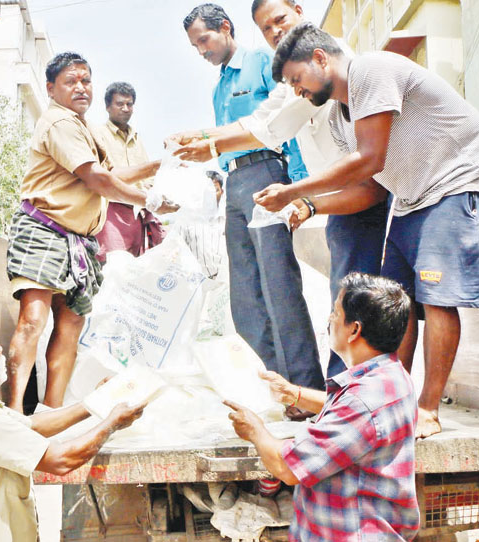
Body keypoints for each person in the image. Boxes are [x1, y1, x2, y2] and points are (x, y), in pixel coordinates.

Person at [255, 22, 479, 438]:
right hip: (410, 198)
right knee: (396, 304)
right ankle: (392, 402)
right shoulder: (337, 118)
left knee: (437, 298)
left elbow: (370, 158)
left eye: (297, 80)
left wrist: (293, 188)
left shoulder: (372, 70)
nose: (297, 91)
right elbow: (368, 189)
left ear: (320, 58)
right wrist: (310, 204)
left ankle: (427, 409)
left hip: (457, 178)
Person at [169, 0, 389, 377]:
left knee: (337, 293)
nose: (275, 32)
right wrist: (206, 141)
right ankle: (286, 384)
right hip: (321, 188)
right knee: (255, 295)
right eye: (267, 28)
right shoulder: (263, 77)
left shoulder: (315, 62)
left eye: (280, 20)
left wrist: (296, 191)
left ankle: (330, 389)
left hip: (341, 183)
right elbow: (265, 118)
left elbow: (274, 128)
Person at [6, 52, 176, 412]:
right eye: (71, 81)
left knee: (70, 327)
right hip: (44, 230)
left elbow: (113, 176)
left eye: (86, 80)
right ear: (51, 88)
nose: (81, 87)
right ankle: (15, 413)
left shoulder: (83, 129)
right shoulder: (59, 123)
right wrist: (152, 200)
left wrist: (165, 163)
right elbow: (99, 181)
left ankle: (50, 413)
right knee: (33, 321)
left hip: (78, 243)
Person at [182, 4, 323, 410]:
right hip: (235, 185)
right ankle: (275, 390)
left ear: (225, 29)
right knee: (245, 296)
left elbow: (284, 122)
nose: (201, 51)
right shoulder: (217, 88)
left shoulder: (263, 61)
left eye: (204, 40)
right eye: (194, 46)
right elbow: (224, 145)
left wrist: (295, 188)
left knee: (279, 286)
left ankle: (304, 391)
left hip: (267, 176)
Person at [225, 272, 419, 541]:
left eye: (336, 313)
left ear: (354, 329)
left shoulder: (363, 401)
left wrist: (255, 430)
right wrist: (294, 394)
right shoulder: (392, 377)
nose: (330, 319)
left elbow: (287, 468)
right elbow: (357, 416)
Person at [0, 312, 145, 542]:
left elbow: (32, 427)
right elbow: (60, 460)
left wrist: (95, 401)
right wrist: (112, 423)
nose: (1, 349)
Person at [91, 82, 165, 262]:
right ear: (108, 107)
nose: (125, 108)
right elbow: (104, 176)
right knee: (113, 267)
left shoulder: (137, 139)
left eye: (129, 104)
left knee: (135, 272)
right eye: (120, 104)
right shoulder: (97, 133)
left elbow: (147, 179)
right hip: (110, 211)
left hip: (138, 212)